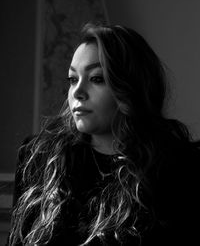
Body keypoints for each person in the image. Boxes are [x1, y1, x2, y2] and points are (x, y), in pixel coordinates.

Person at [7, 23, 200, 246]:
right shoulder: (39, 157)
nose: (77, 92)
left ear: (130, 89)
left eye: (96, 79)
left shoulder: (178, 169)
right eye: (72, 79)